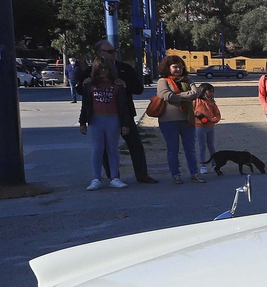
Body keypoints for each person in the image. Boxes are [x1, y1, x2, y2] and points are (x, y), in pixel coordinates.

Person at [80, 41, 157, 183]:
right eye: (110, 51)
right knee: (103, 148)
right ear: (99, 53)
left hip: (124, 113)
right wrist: (86, 83)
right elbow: (82, 92)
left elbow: (139, 88)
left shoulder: (124, 69)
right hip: (99, 116)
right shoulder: (90, 71)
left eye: (115, 50)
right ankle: (113, 176)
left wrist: (124, 85)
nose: (114, 53)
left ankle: (142, 174)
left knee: (135, 144)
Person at [78, 58, 133, 190]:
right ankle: (96, 178)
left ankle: (114, 177)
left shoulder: (117, 85)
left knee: (112, 148)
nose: (103, 71)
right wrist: (82, 122)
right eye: (100, 68)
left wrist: (125, 123)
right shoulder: (89, 85)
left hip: (113, 119)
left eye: (105, 68)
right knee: (97, 149)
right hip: (95, 120)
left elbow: (123, 106)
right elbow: (85, 105)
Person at [155, 55, 207, 183]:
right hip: (168, 121)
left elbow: (196, 93)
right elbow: (166, 96)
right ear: (168, 67)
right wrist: (186, 96)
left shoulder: (188, 80)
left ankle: (194, 173)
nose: (178, 69)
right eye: (175, 67)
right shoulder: (163, 81)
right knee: (173, 150)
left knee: (190, 149)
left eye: (180, 67)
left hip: (187, 119)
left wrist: (178, 96)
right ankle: (175, 175)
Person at [193, 82, 222, 172]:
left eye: (213, 91)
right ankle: (203, 166)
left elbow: (217, 114)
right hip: (199, 127)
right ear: (203, 91)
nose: (212, 93)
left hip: (210, 126)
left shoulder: (212, 102)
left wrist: (215, 119)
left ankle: (214, 164)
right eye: (210, 91)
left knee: (211, 146)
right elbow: (190, 110)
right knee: (202, 147)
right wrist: (197, 114)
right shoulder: (196, 101)